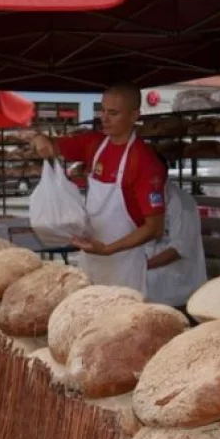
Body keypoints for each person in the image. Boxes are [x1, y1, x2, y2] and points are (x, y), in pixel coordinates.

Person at [31, 83, 167, 295]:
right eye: (102, 110)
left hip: (124, 264)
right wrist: (38, 138)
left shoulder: (144, 162)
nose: (104, 118)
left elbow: (154, 228)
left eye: (113, 113)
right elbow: (51, 144)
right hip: (90, 256)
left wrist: (108, 249)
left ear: (134, 115)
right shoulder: (94, 144)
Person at [144, 177, 207, 312]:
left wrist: (145, 265)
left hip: (177, 290)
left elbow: (179, 250)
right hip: (153, 289)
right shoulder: (147, 196)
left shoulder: (182, 204)